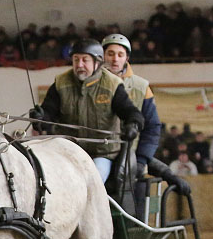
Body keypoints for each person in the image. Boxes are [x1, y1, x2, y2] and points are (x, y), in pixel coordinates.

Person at [29, 39, 147, 189]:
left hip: (102, 154)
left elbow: (131, 112)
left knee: (91, 183)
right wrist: (39, 118)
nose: (79, 65)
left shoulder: (112, 84)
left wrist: (133, 125)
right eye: (76, 60)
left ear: (97, 62)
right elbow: (48, 114)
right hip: (67, 152)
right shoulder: (60, 83)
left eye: (85, 60)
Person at [100, 33, 186, 215]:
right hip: (100, 155)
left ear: (127, 58)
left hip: (133, 161)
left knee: (134, 219)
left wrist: (140, 161)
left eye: (120, 54)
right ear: (102, 56)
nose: (115, 59)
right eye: (110, 53)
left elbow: (152, 127)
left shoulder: (141, 87)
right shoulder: (92, 85)